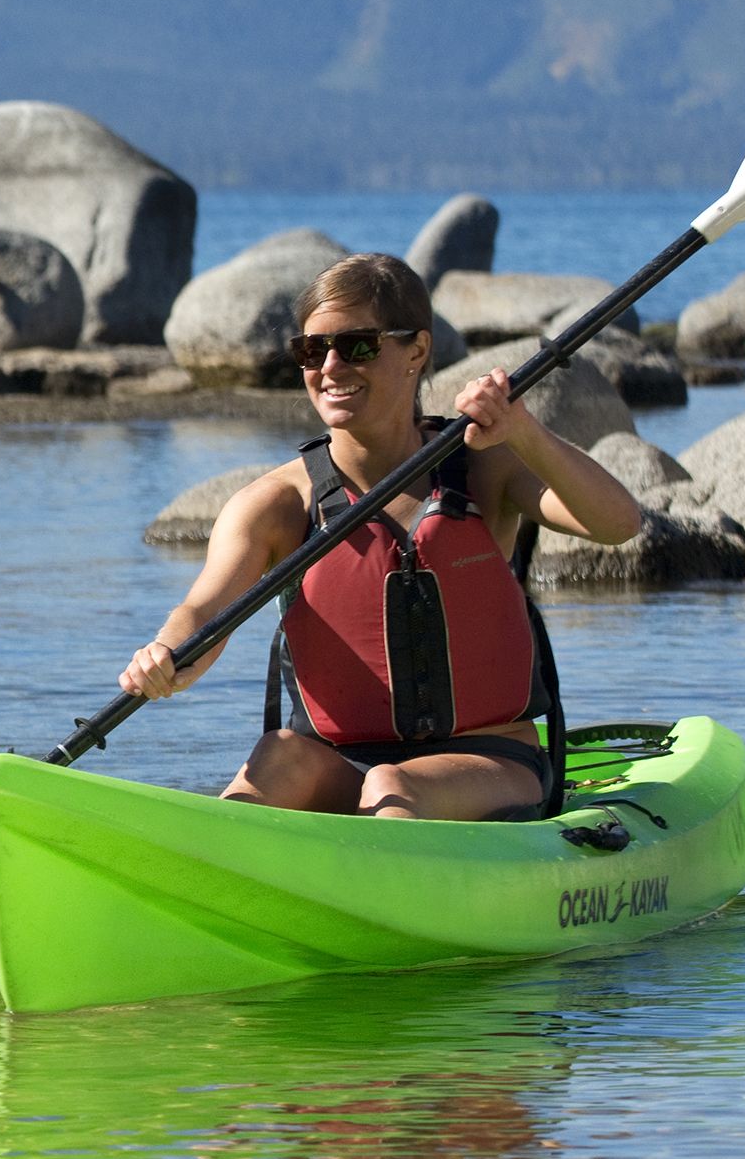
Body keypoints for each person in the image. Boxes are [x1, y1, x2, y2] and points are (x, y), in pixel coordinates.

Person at [117, 252, 641, 822]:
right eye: (312, 350)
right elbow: (203, 608)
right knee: (279, 756)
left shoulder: (485, 468)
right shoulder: (275, 504)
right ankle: (206, 870)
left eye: (358, 345)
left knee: (394, 787)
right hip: (338, 763)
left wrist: (524, 432)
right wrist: (165, 654)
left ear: (416, 351)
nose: (331, 367)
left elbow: (618, 524)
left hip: (489, 763)